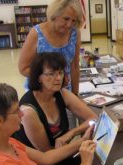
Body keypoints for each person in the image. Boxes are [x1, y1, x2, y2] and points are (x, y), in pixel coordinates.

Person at [13, 52, 97, 165]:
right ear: (38, 77)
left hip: (60, 154)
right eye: (51, 74)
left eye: (61, 73)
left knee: (97, 163)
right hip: (40, 164)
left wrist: (71, 133)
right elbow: (47, 154)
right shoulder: (28, 112)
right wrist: (80, 143)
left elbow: (93, 117)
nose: (58, 78)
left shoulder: (61, 93)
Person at [18, 0, 84, 128]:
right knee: (46, 134)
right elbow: (23, 68)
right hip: (40, 93)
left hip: (65, 91)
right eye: (66, 19)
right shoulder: (37, 34)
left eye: (74, 21)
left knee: (68, 129)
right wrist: (48, 79)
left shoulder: (75, 33)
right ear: (54, 15)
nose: (70, 24)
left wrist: (75, 94)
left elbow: (75, 65)